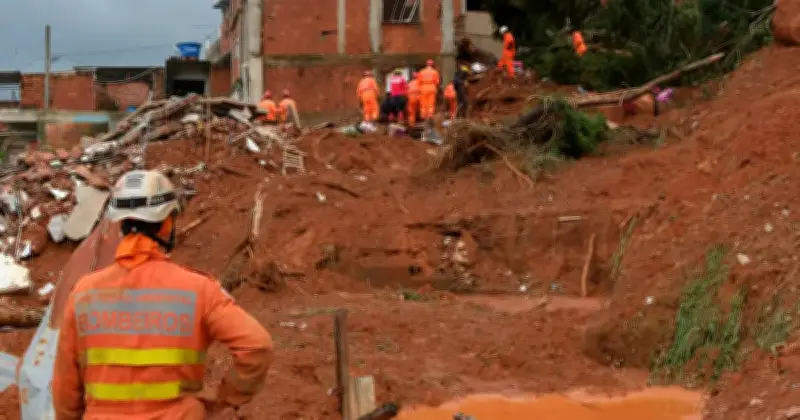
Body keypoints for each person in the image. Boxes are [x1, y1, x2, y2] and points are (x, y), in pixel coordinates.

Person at [53, 170, 273, 420]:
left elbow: (65, 387)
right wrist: (224, 398)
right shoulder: (198, 289)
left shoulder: (83, 294)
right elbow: (257, 346)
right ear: (167, 222)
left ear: (121, 224)